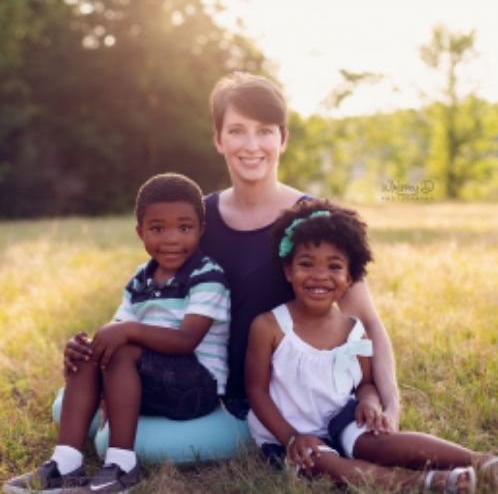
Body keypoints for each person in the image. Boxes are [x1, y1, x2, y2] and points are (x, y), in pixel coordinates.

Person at [63, 72, 399, 425]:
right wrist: (96, 347)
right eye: (237, 130)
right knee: (74, 401)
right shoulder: (194, 220)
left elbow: (367, 321)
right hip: (195, 384)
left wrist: (390, 404)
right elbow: (152, 301)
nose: (251, 145)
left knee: (130, 436)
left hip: (277, 401)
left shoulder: (316, 221)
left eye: (265, 130)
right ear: (218, 140)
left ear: (283, 139)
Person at [245, 198, 498, 493]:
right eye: (306, 264)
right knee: (322, 463)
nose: (319, 275)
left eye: (334, 266)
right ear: (288, 271)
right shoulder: (269, 327)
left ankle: (482, 461)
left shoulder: (354, 331)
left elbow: (365, 383)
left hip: (340, 419)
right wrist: (290, 438)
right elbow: (257, 391)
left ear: (349, 278)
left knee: (380, 443)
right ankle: (424, 483)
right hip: (286, 431)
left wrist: (369, 403)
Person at [3, 173, 231, 493]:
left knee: (122, 348)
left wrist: (127, 331)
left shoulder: (207, 276)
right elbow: (114, 333)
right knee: (93, 351)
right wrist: (86, 347)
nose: (171, 239)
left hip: (196, 384)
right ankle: (66, 463)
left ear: (201, 231)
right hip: (151, 381)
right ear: (140, 233)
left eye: (184, 227)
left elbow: (185, 340)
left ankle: (123, 465)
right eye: (157, 228)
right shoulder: (140, 278)